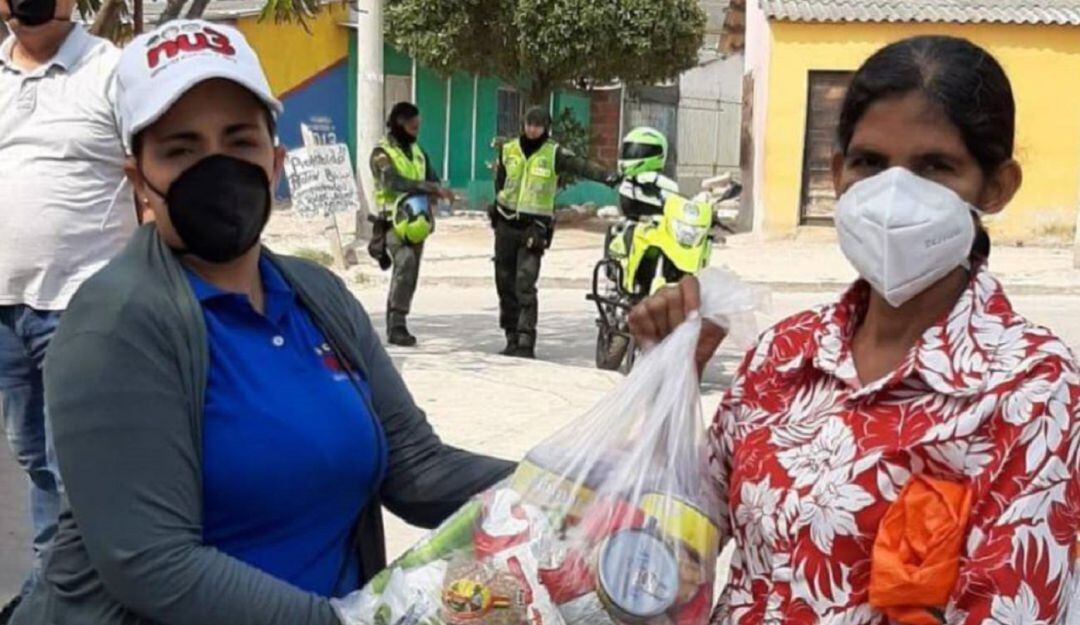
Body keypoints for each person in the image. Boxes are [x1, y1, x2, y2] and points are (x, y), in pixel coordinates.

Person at [10, 21, 512, 625]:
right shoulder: (114, 325)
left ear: (274, 162)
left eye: (239, 141)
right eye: (180, 149)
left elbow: (419, 471)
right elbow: (153, 564)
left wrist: (584, 480)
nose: (215, 168)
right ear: (138, 180)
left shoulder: (316, 295)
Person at [630, 36, 1080, 624]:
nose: (893, 195)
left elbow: (1011, 608)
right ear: (839, 173)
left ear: (996, 187)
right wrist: (668, 378)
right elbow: (680, 539)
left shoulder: (1030, 389)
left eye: (934, 167)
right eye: (870, 162)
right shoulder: (785, 355)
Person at [0, 0, 133, 618]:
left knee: (73, 464)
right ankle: (58, 583)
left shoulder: (110, 71)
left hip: (81, 307)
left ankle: (67, 598)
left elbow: (149, 179)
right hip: (4, 308)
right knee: (33, 458)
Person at [493, 106, 620, 358]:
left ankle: (526, 340)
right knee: (504, 282)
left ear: (546, 127)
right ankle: (511, 336)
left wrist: (608, 176)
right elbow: (500, 182)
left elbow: (582, 167)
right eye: (529, 124)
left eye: (538, 125)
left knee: (525, 283)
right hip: (506, 224)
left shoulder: (554, 153)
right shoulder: (507, 150)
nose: (532, 129)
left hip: (534, 227)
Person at [369, 102, 454, 347]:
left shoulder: (419, 153)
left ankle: (399, 318)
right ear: (399, 124)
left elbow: (433, 178)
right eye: (413, 126)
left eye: (419, 126)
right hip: (392, 223)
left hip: (417, 222)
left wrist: (441, 193)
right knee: (404, 261)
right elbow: (392, 181)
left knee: (410, 271)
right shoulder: (381, 154)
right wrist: (429, 188)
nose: (417, 131)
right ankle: (396, 325)